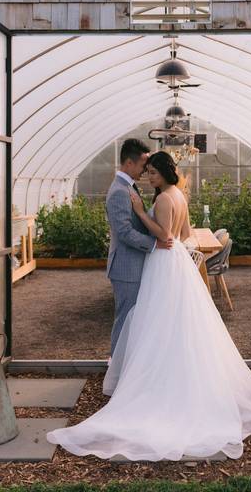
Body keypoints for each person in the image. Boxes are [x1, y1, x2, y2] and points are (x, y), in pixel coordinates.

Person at [46, 151, 251, 461]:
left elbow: (166, 236)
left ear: (165, 173)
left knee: (157, 319)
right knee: (175, 322)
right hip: (179, 263)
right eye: (148, 173)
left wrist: (141, 213)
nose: (149, 177)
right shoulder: (180, 196)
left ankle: (156, 383)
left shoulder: (162, 200)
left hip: (163, 262)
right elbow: (184, 235)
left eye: (154, 173)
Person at [103, 139, 173, 362]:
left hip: (134, 265)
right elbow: (124, 231)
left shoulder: (128, 187)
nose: (145, 170)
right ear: (130, 163)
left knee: (134, 320)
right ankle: (117, 372)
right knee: (125, 320)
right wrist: (154, 244)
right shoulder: (119, 192)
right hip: (125, 268)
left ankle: (128, 369)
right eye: (143, 164)